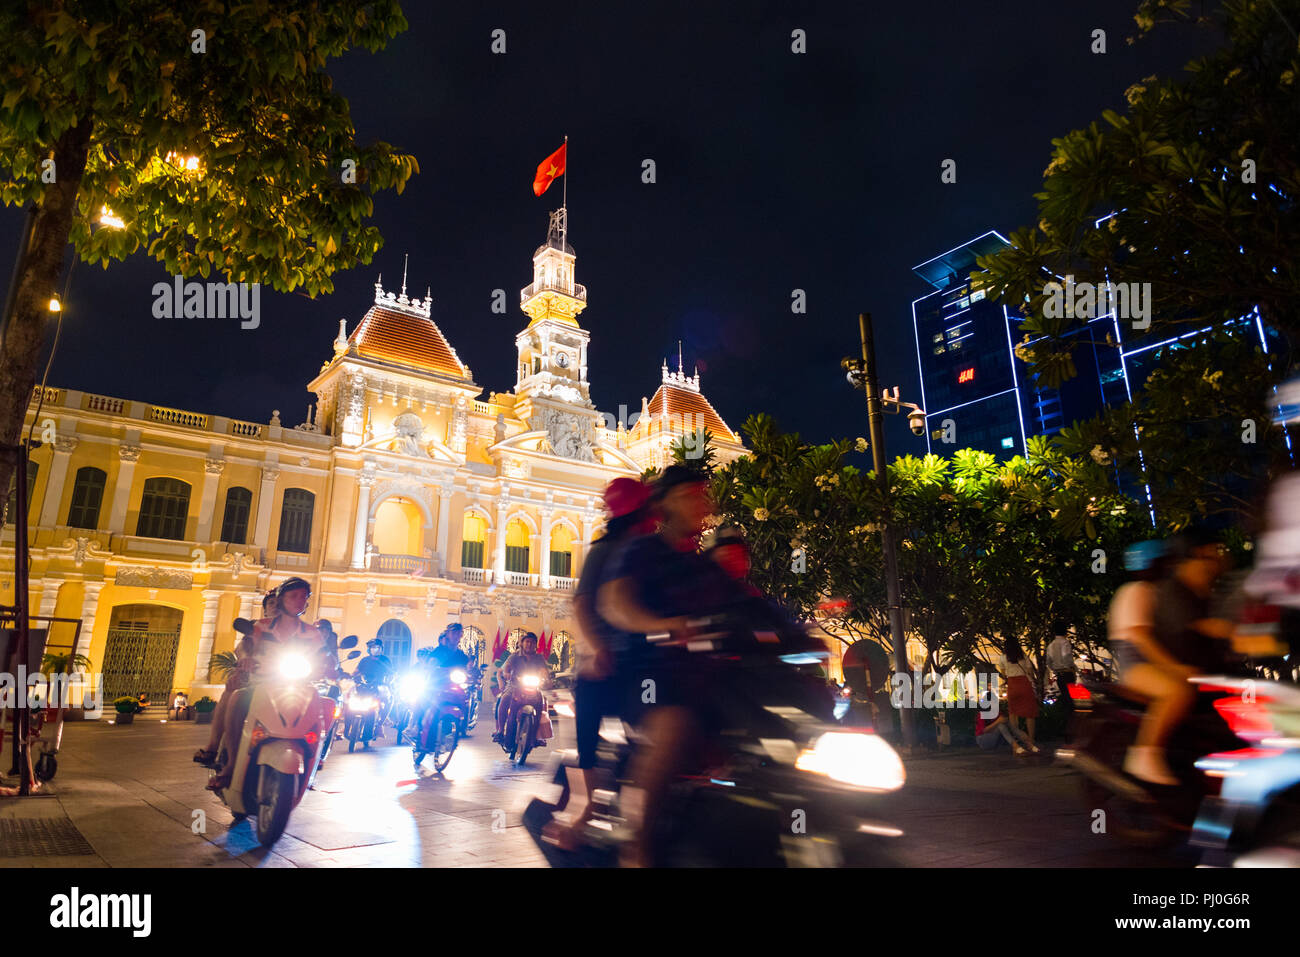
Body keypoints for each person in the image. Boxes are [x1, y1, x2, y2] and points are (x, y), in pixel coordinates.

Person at [596, 464, 744, 866]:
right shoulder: (641, 551)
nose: (701, 503)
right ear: (665, 504)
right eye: (690, 494)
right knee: (675, 724)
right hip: (651, 676)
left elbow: (749, 608)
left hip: (704, 681)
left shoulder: (705, 567)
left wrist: (800, 631)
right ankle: (636, 845)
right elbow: (615, 603)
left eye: (703, 495)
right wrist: (659, 625)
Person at [544, 476, 656, 850]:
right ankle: (587, 808)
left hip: (642, 660)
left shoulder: (644, 551)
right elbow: (582, 603)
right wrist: (599, 648)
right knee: (588, 740)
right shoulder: (606, 550)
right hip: (607, 661)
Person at [1120, 530, 1232, 785]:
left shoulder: (1168, 591)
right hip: (1136, 664)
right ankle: (1144, 755)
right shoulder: (1138, 592)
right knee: (1178, 692)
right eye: (1165, 561)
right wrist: (1174, 667)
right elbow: (1141, 639)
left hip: (1150, 661)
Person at [206, 577, 335, 791]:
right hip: (262, 684)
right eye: (293, 595)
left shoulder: (311, 633)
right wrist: (246, 658)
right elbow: (245, 646)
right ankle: (230, 765)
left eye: (304, 597)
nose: (299, 600)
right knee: (237, 699)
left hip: (296, 686)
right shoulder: (261, 627)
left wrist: (333, 668)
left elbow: (325, 656)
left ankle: (312, 764)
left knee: (326, 705)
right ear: (282, 599)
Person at [195, 590, 276, 767]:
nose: (276, 606)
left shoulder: (297, 631)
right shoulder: (256, 627)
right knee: (232, 691)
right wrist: (246, 658)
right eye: (271, 603)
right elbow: (243, 648)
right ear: (265, 609)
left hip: (285, 681)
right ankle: (213, 747)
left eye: (279, 603)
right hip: (255, 678)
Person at [493, 632, 550, 743]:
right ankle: (500, 731)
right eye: (527, 641)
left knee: (541, 703)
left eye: (532, 642)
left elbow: (544, 671)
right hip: (514, 686)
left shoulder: (539, 658)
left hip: (533, 687)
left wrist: (547, 679)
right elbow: (506, 668)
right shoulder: (514, 656)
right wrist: (506, 673)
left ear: (535, 645)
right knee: (504, 699)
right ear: (522, 643)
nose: (529, 644)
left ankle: (537, 735)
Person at [998, 636, 1039, 753]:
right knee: (1029, 714)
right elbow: (1030, 671)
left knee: (1013, 713)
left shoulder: (1002, 658)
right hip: (1024, 684)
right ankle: (1031, 741)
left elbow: (1004, 673)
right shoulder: (1023, 655)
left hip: (1012, 685)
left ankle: (1018, 741)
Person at [1046, 621, 1076, 718]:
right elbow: (1067, 657)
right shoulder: (1065, 643)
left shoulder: (1051, 645)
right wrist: (1071, 668)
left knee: (1064, 698)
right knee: (1070, 701)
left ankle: (1064, 722)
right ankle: (1071, 723)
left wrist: (1055, 669)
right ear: (1065, 631)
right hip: (1068, 674)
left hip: (1059, 675)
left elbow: (1049, 662)